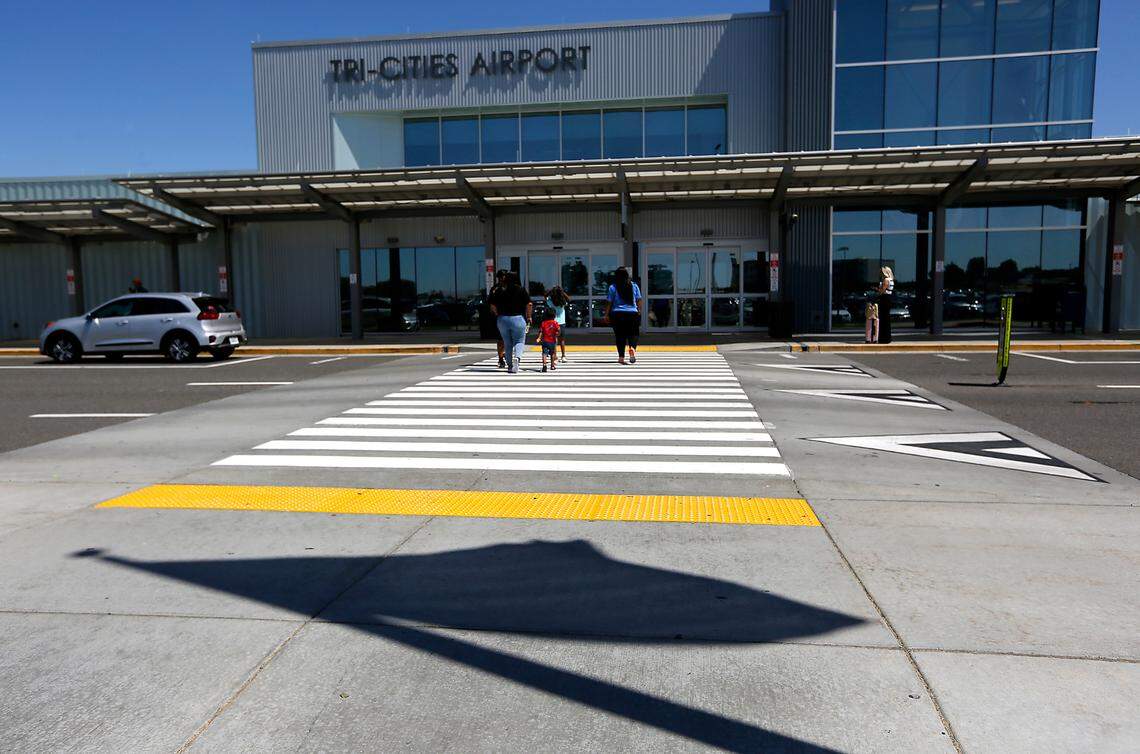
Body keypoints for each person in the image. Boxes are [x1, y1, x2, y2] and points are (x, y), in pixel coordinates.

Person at [490, 270, 532, 373]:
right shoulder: (521, 289)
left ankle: (509, 365)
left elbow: (492, 305)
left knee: (507, 343)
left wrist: (498, 314)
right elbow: (529, 304)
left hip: (502, 319)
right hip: (518, 318)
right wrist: (529, 317)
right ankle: (517, 358)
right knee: (519, 341)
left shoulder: (498, 290)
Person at [603, 267, 642, 365]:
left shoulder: (613, 287)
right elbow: (639, 299)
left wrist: (606, 315)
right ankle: (632, 348)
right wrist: (639, 310)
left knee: (620, 336)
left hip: (617, 314)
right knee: (634, 334)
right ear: (627, 275)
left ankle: (621, 357)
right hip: (632, 313)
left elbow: (609, 302)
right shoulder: (634, 286)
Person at [488, 270, 509, 368]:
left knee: (508, 339)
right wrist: (496, 315)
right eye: (501, 276)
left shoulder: (512, 287)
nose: (503, 278)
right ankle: (501, 359)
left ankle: (505, 354)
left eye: (504, 276)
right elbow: (491, 304)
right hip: (500, 317)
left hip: (511, 316)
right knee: (500, 339)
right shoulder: (495, 289)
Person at [545, 285, 570, 363]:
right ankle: (563, 356)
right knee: (562, 340)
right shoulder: (563, 302)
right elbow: (568, 299)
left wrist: (551, 291)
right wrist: (562, 292)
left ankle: (555, 356)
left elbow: (545, 297)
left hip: (554, 323)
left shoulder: (551, 302)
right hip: (562, 323)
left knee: (554, 341)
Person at [535, 306, 560, 372]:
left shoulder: (543, 323)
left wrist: (539, 338)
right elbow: (558, 330)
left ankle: (544, 365)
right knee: (552, 354)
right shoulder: (555, 323)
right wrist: (557, 334)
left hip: (545, 341)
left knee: (544, 353)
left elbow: (541, 331)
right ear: (554, 315)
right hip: (552, 341)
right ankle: (552, 365)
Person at [877, 266, 895, 344]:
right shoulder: (891, 280)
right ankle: (887, 338)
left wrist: (878, 289)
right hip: (889, 298)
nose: (880, 274)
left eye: (881, 272)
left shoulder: (886, 280)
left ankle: (883, 338)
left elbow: (882, 291)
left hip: (884, 298)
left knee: (883, 319)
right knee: (886, 318)